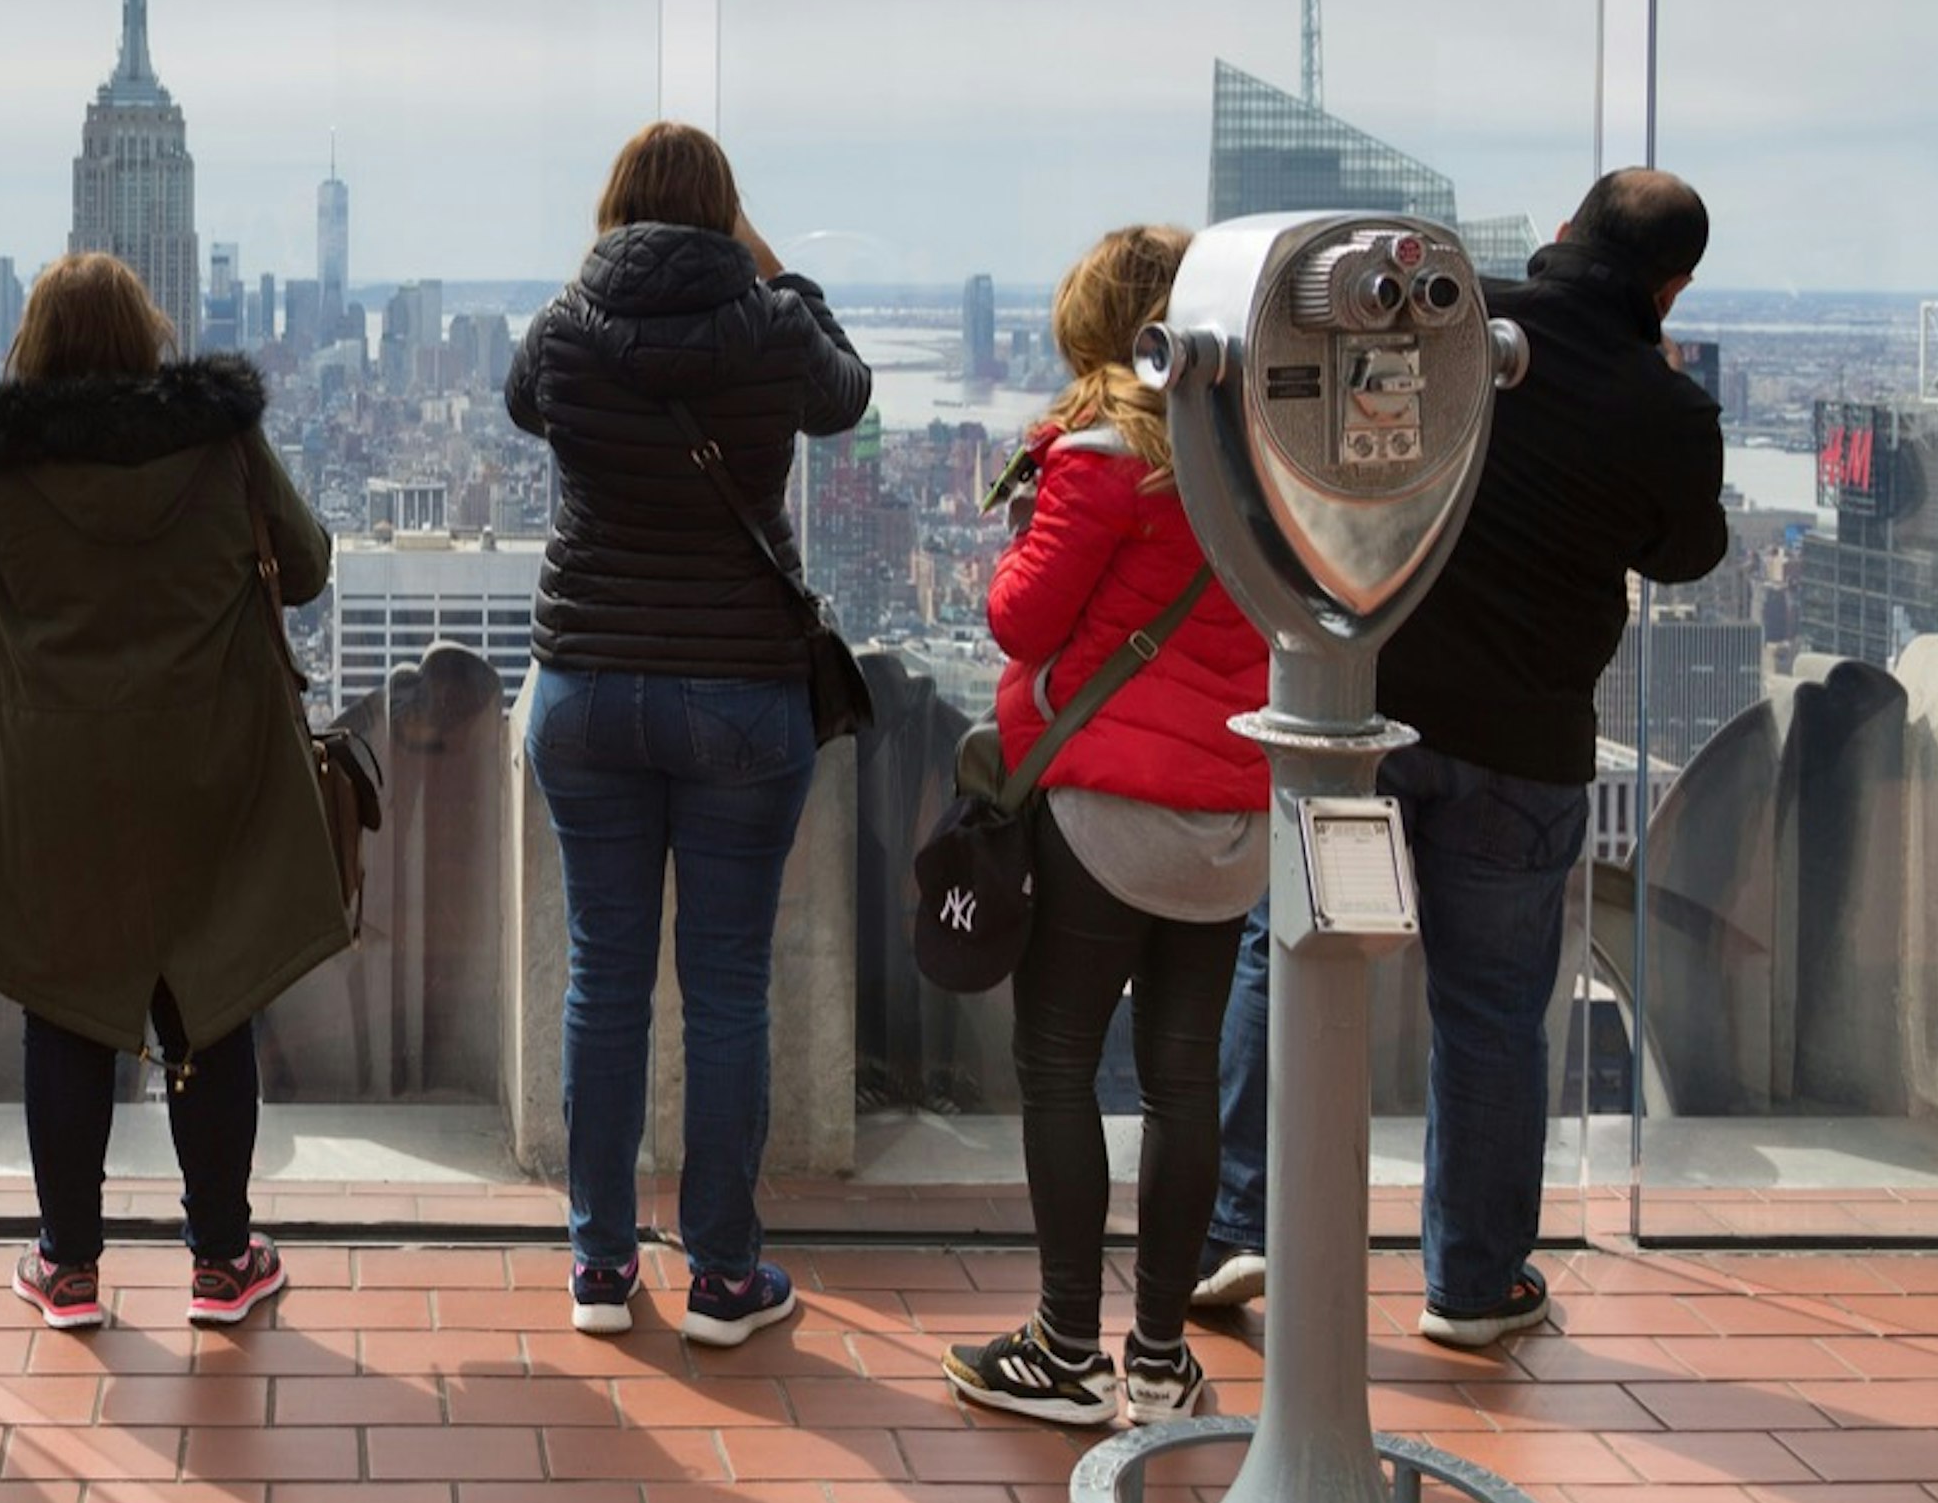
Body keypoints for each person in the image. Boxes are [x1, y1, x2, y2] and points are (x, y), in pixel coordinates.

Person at [1197, 171, 1727, 1348]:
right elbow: (1689, 551)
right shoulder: (1662, 405)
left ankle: (1238, 1228)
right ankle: (1474, 1284)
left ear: (1555, 237)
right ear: (1673, 285)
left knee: (1281, 953)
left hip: (1366, 698)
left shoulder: (1447, 322)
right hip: (1525, 739)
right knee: (1490, 1012)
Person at [0, 252, 346, 1334]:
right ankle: (223, 1260)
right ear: (148, 338)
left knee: (67, 1009)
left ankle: (70, 1264)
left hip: (56, 785)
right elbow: (311, 562)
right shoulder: (222, 442)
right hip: (208, 772)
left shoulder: (13, 464)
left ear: (34, 347)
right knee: (211, 1007)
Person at [505, 121, 872, 1344]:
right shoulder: (766, 324)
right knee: (724, 986)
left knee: (605, 978)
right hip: (736, 690)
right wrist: (773, 270)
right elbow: (848, 393)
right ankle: (721, 1273)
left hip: (590, 687)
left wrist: (595, 275)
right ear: (726, 214)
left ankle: (600, 1267)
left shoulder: (567, 324)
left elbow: (522, 402)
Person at [941, 226, 1269, 1429]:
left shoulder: (1099, 455)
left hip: (1102, 814)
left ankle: (1066, 1347)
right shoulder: (1251, 450)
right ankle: (1159, 1354)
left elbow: (1021, 619)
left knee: (1061, 1063)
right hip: (1230, 815)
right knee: (1185, 1081)